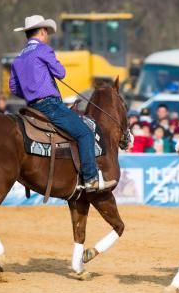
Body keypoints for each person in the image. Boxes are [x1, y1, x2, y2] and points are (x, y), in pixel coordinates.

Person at [10, 15, 116, 192]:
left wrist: (31, 91)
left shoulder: (18, 57)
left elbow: (14, 87)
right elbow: (61, 73)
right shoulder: (44, 50)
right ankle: (90, 179)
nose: (48, 36)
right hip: (50, 105)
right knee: (84, 133)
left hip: (31, 108)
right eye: (47, 32)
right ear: (42, 31)